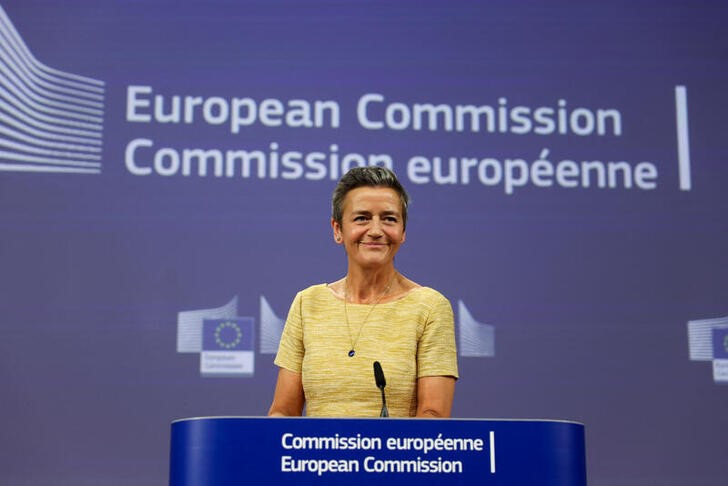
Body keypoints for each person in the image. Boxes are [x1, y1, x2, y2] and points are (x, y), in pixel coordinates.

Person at [268, 166, 458, 417]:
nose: (376, 230)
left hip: (393, 456)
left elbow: (433, 416)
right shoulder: (307, 304)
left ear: (403, 232)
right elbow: (282, 413)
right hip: (316, 456)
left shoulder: (430, 307)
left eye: (389, 219)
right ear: (338, 230)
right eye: (362, 218)